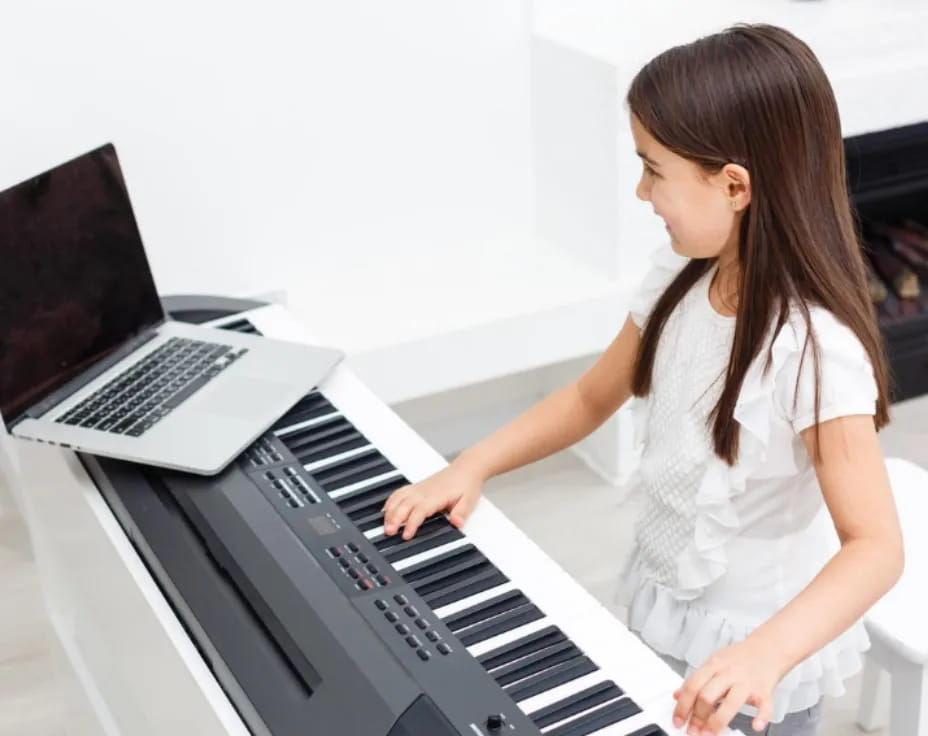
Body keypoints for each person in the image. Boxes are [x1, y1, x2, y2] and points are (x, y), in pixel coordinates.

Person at [381, 23, 904, 736]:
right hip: (664, 604)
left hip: (757, 662)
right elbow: (590, 396)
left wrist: (763, 654)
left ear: (734, 186)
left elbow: (875, 547)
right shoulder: (677, 280)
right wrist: (470, 466)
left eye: (654, 169)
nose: (640, 189)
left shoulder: (812, 350)